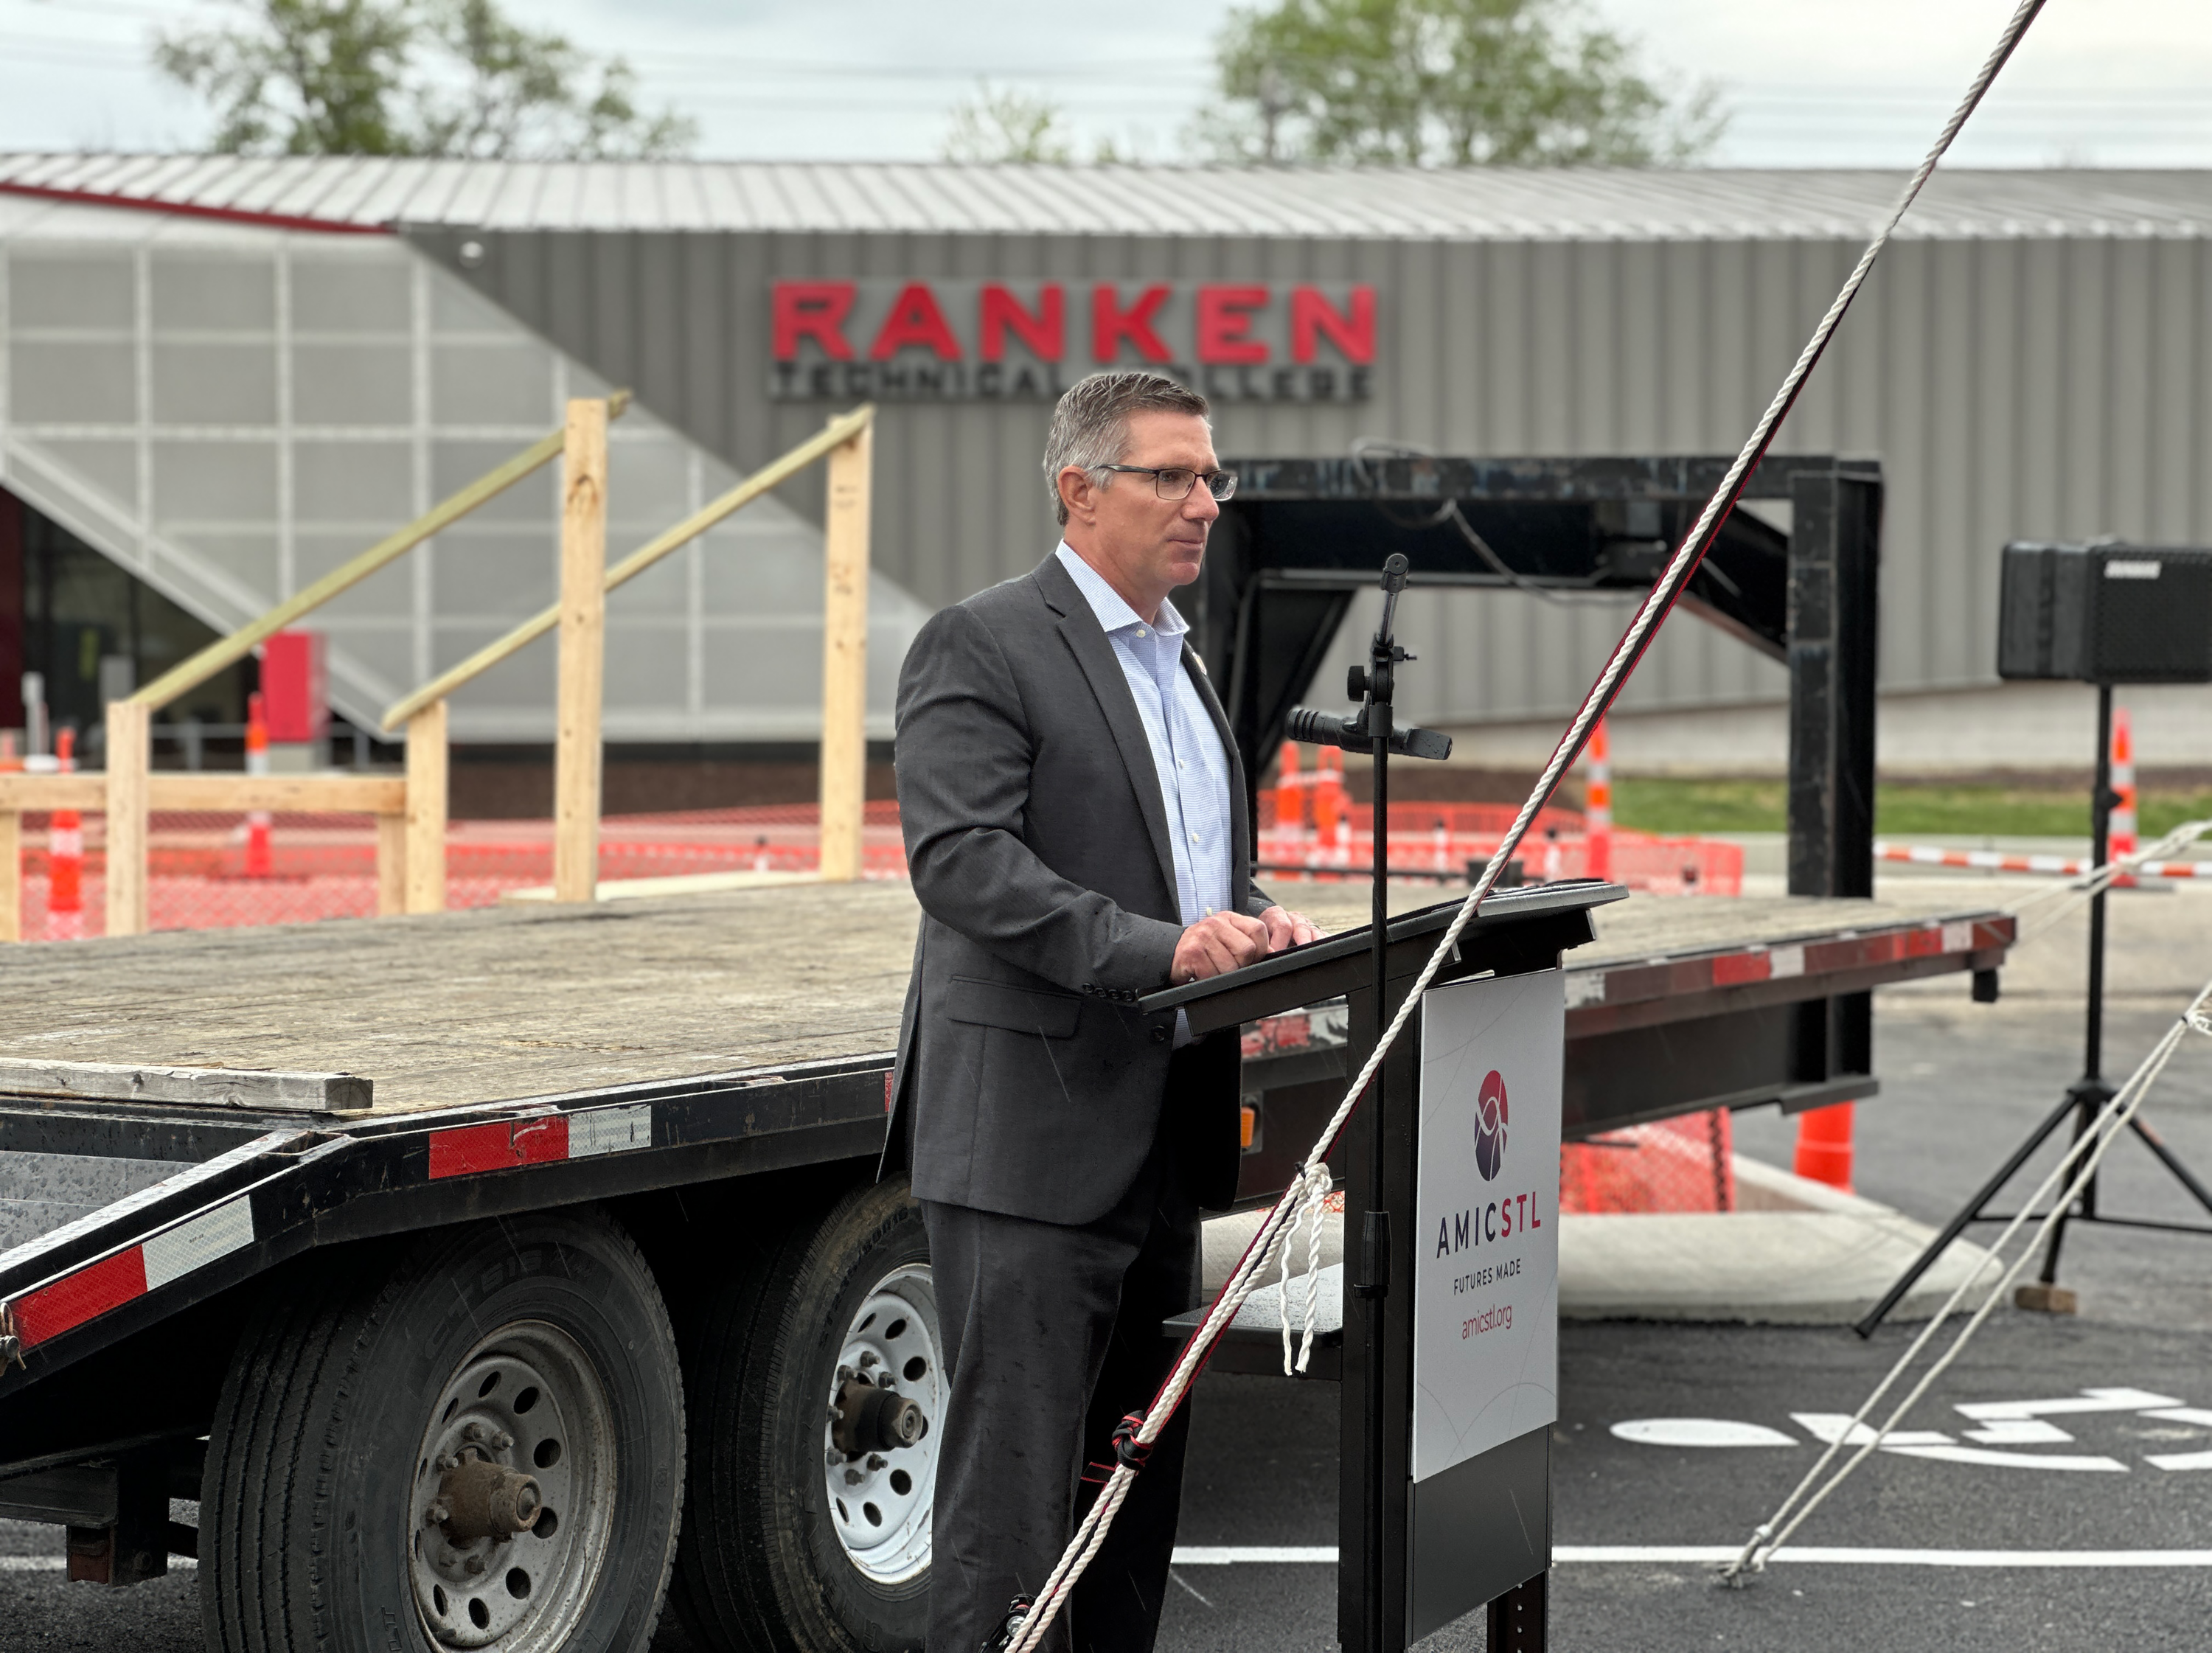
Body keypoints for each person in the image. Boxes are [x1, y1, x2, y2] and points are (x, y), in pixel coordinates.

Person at [885, 370, 1318, 1652]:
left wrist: (1252, 919)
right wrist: (1164, 946)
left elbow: (1190, 869)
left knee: (1128, 1486)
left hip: (1162, 1136)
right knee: (1011, 1505)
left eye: (1211, 477)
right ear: (1080, 489)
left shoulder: (1180, 662)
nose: (1206, 502)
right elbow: (962, 861)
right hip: (1031, 1145)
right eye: (1171, 475)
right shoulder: (983, 641)